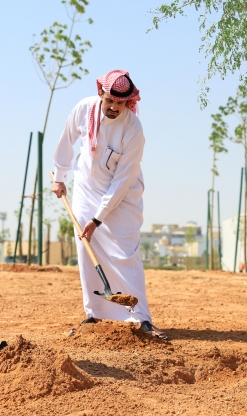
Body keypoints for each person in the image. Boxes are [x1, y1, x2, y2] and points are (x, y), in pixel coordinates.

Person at [52, 69, 166, 339]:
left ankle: (140, 318)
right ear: (100, 94)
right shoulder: (83, 109)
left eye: (120, 103)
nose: (114, 107)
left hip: (122, 196)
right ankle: (95, 313)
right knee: (86, 250)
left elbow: (122, 180)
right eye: (109, 101)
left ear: (128, 102)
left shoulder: (133, 130)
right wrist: (59, 177)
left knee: (124, 255)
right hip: (85, 190)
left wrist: (98, 219)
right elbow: (67, 141)